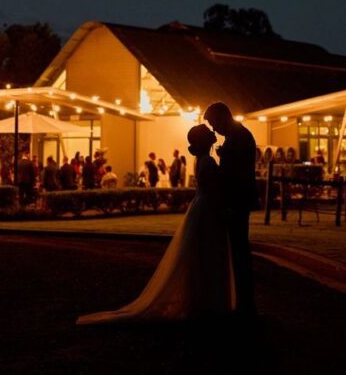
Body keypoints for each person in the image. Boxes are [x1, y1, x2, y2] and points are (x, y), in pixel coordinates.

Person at [76, 124, 234, 324]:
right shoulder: (208, 161)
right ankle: (208, 301)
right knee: (206, 251)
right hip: (208, 207)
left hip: (202, 206)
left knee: (199, 252)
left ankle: (201, 299)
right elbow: (215, 186)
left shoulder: (203, 160)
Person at [204, 101, 257, 319]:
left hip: (237, 201)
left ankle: (244, 302)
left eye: (215, 123)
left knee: (239, 249)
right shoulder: (237, 136)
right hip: (235, 200)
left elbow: (235, 175)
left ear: (223, 117)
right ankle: (240, 299)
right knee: (236, 249)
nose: (214, 129)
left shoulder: (240, 138)